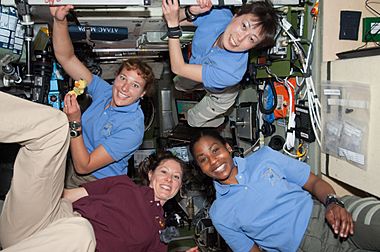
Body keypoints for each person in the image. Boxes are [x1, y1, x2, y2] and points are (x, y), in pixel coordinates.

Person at [0, 91, 190, 251]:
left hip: (75, 243)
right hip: (49, 218)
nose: (169, 179)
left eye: (176, 177)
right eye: (164, 172)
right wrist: (34, 187)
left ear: (180, 186)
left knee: (81, 231)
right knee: (55, 124)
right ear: (151, 174)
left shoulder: (158, 234)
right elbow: (65, 195)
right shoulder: (121, 183)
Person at [189, 129, 380, 252]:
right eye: (203, 159)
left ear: (228, 147)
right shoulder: (220, 213)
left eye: (215, 150)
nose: (213, 161)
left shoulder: (264, 157)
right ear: (200, 168)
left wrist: (333, 202)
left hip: (330, 214)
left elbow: (313, 182)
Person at [50, 5, 155, 188]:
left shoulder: (132, 129)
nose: (125, 87)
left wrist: (74, 122)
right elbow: (66, 57)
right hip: (72, 161)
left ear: (143, 93)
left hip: (97, 182)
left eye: (135, 85)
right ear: (115, 78)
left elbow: (85, 166)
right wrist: (59, 21)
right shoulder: (105, 92)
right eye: (123, 78)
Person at [162, 0, 278, 127]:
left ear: (254, 47)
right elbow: (173, 19)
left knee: (193, 120)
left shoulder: (231, 72)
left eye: (251, 39)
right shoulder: (219, 15)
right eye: (244, 26)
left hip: (223, 93)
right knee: (178, 84)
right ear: (236, 16)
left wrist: (173, 27)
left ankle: (221, 119)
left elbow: (178, 68)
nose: (240, 38)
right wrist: (189, 12)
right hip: (200, 67)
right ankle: (202, 83)